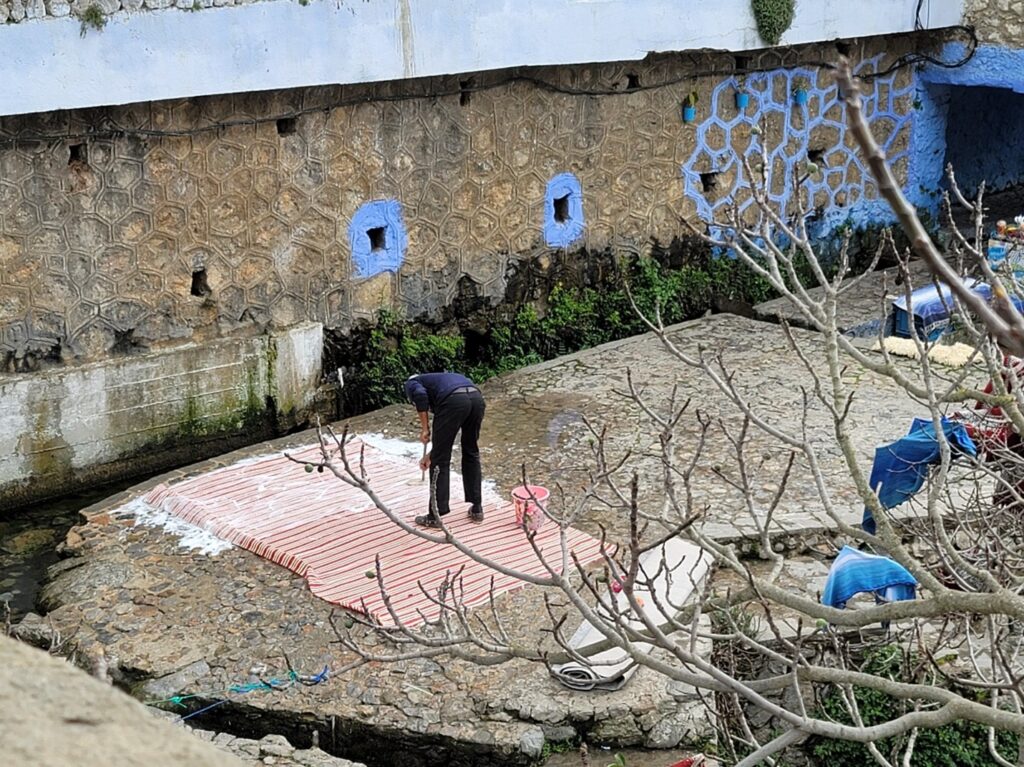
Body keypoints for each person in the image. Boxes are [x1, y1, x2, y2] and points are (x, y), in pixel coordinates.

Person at [404, 372, 486, 527]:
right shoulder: (441, 379)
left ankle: (435, 514)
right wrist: (430, 454)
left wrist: (424, 429)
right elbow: (443, 443)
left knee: (440, 461)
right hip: (476, 398)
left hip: (454, 401)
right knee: (471, 451)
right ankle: (477, 508)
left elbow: (420, 396)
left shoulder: (412, 383)